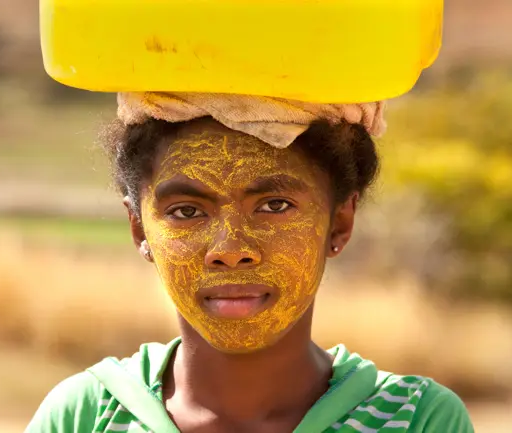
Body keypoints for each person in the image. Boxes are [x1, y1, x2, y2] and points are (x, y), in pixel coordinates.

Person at [25, 93, 474, 432]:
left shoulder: (416, 419)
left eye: (274, 205)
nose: (230, 247)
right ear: (140, 229)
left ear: (339, 222)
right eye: (186, 211)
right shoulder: (87, 414)